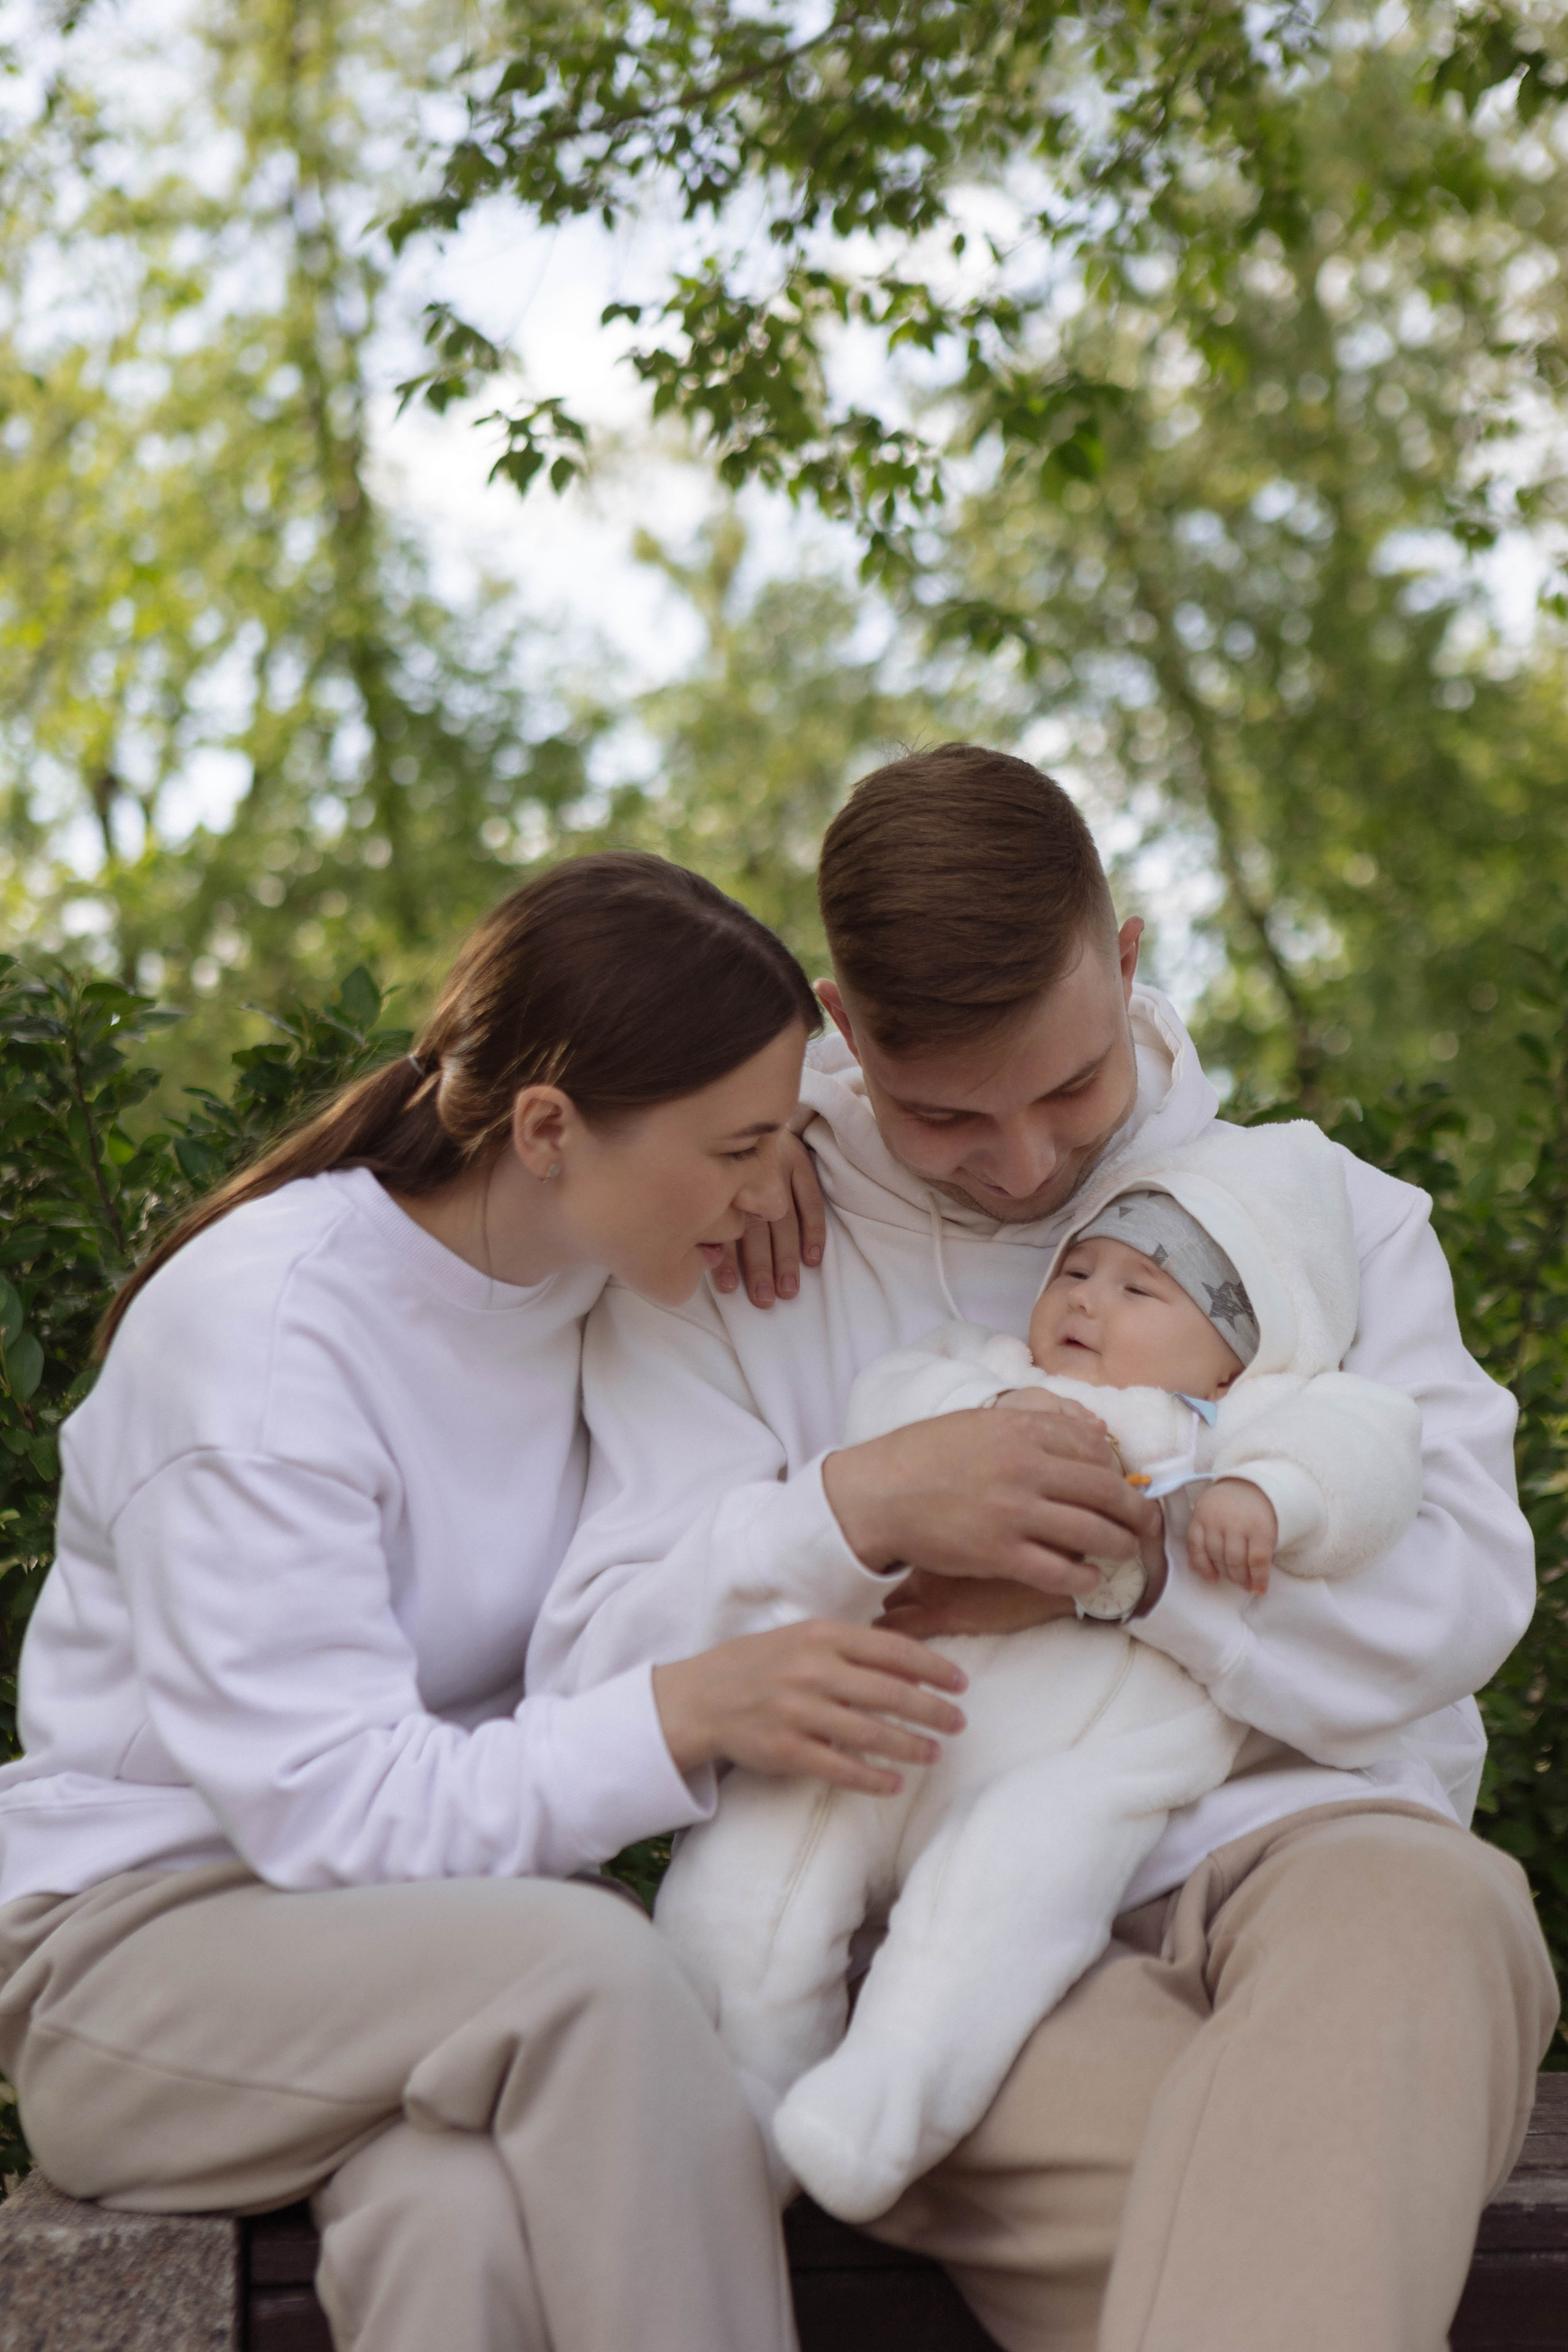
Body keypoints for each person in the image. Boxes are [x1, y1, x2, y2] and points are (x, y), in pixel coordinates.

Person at [530, 751, 1559, 2352]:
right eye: (942, 1112)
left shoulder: (1327, 1219)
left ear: (1127, 962)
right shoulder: (734, 1238)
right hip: (941, 1925)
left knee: (1441, 1909)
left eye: (1070, 1089)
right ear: (841, 1028)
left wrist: (1128, 1572)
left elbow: (1459, 1591)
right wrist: (857, 1509)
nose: (1020, 1164)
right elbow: (598, 1665)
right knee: (1277, 2195)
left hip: (1292, 1850)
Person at [0, 852, 972, 2352]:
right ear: (544, 1129)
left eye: (778, 1138)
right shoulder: (270, 1344)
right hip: (135, 1974)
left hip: (415, 1959)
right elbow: (330, 1808)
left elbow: (936, 1066)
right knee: (597, 1970)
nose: (766, 1181)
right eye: (738, 1148)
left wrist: (790, 1137)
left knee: (456, 2228)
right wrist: (683, 1711)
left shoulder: (585, 1259)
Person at [655, 1117, 1426, 2228]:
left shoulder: (1239, 1425)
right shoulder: (991, 1373)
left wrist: (1270, 1497)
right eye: (1077, 1271)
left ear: (1237, 1347)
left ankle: (885, 2103)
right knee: (757, 1856)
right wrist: (986, 1417)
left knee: (1007, 1900)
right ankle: (733, 2100)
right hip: (900, 1702)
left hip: (1080, 1759)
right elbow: (891, 1400)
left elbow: (1370, 1447)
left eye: (1140, 1290)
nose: (1087, 1303)